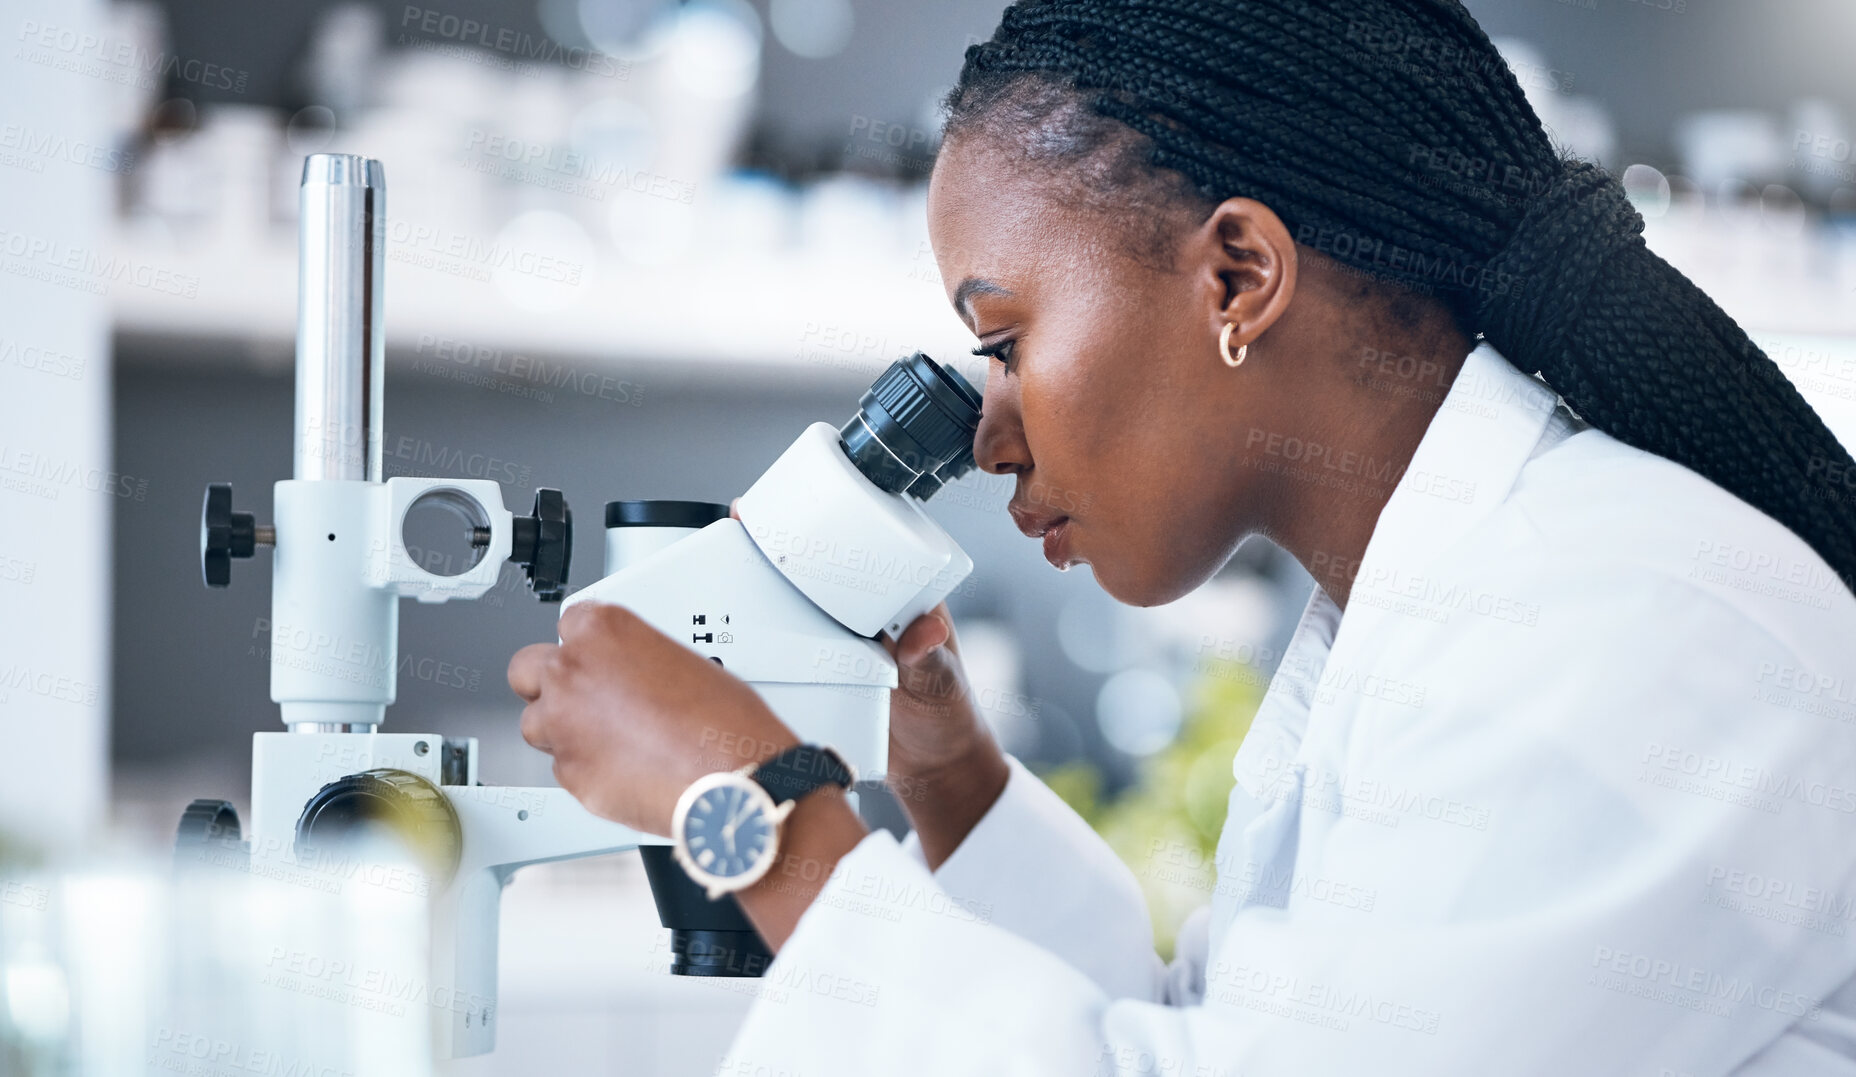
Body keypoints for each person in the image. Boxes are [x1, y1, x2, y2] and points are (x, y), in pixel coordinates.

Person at [507, 0, 1856, 1071]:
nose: (988, 436)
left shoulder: (1619, 623)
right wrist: (944, 763)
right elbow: (1205, 1034)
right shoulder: (1447, 604)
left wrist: (745, 806)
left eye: (1007, 341)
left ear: (1238, 277)